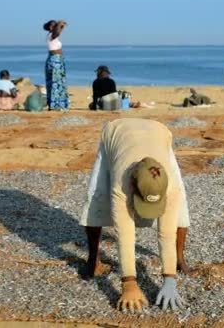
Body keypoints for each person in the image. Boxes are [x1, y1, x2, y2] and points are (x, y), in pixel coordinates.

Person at [80, 118, 189, 312]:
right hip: (117, 132)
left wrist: (169, 279)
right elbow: (125, 235)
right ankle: (92, 259)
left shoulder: (172, 188)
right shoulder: (120, 186)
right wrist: (128, 283)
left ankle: (179, 260)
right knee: (96, 198)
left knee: (180, 212)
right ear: (132, 187)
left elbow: (166, 234)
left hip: (158, 132)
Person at [44, 20, 69, 111]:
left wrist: (61, 25)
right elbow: (57, 32)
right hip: (55, 60)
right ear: (51, 27)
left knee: (58, 82)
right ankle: (55, 105)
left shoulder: (53, 36)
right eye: (54, 25)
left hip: (57, 60)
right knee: (55, 82)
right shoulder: (51, 35)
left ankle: (57, 104)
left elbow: (59, 31)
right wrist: (60, 24)